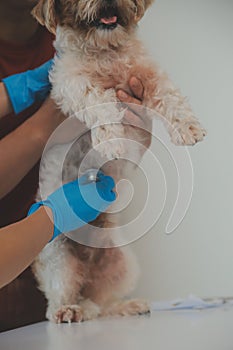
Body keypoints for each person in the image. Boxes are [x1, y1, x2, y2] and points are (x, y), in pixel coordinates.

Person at [0, 0, 150, 332]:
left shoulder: (81, 25)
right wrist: (52, 216)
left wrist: (133, 135)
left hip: (71, 281)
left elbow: (129, 150)